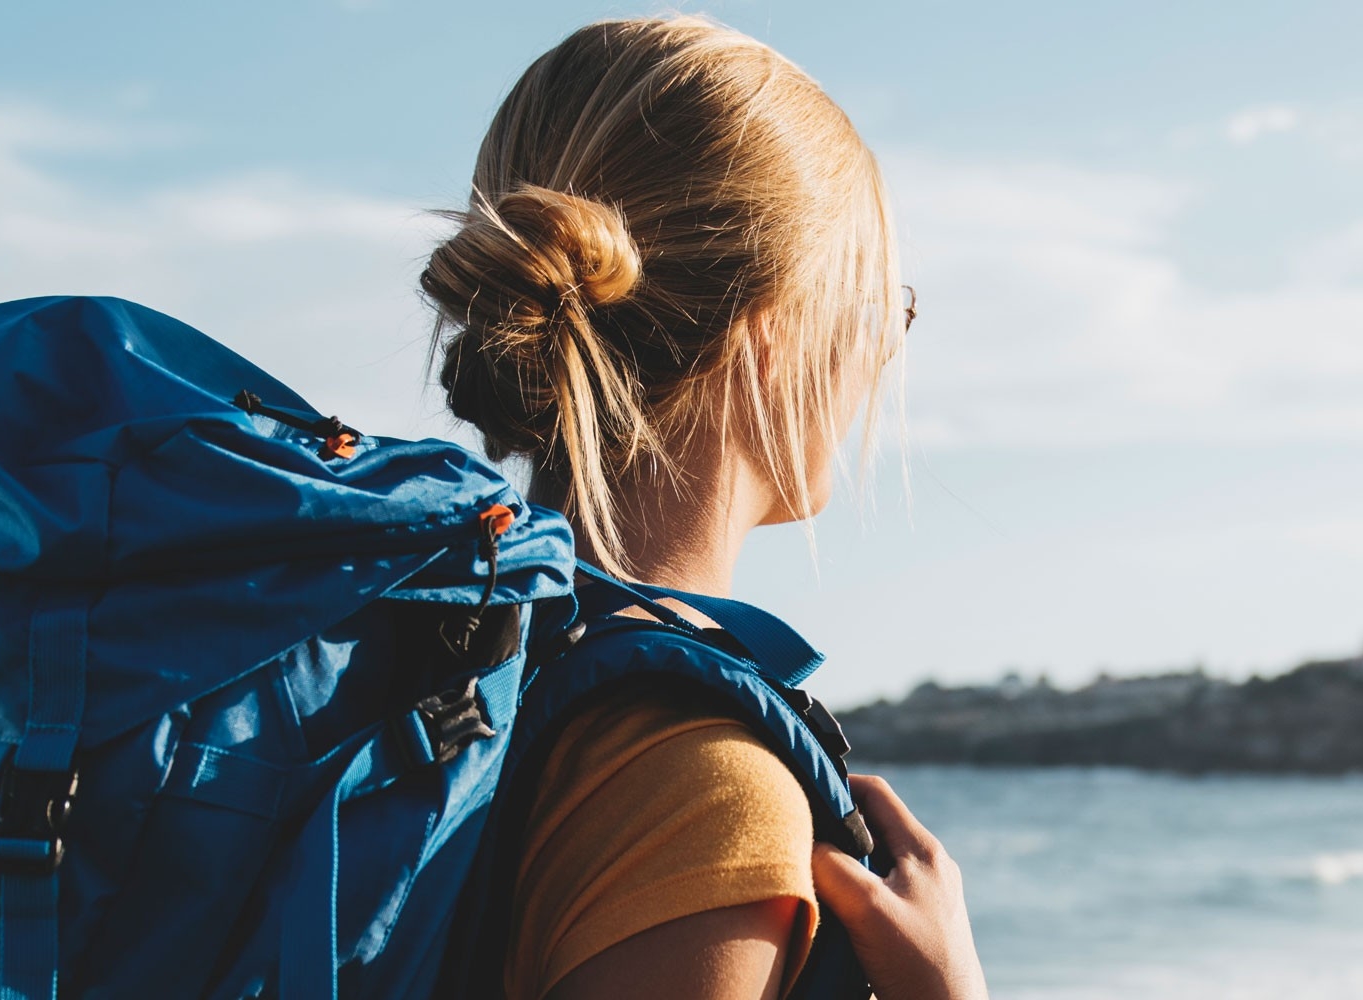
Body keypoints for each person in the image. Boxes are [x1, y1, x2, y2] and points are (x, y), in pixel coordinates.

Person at [417, 17, 986, 1000]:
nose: (888, 350)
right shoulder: (699, 783)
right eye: (883, 306)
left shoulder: (446, 669)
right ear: (771, 333)